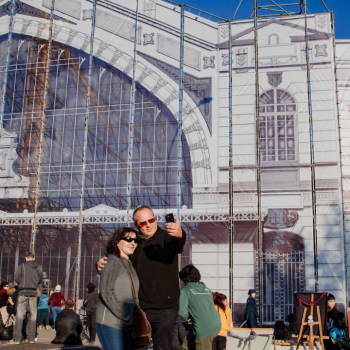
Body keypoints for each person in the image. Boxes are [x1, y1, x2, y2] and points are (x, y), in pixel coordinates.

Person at [97, 205, 186, 350]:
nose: (148, 225)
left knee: (163, 347)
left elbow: (178, 244)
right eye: (143, 223)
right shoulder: (134, 243)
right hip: (140, 309)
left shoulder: (166, 237)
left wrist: (180, 234)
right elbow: (118, 260)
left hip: (165, 309)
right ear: (136, 225)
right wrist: (100, 264)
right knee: (137, 347)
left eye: (151, 220)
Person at [96, 227, 140, 350]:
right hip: (110, 323)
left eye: (135, 240)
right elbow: (106, 291)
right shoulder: (112, 260)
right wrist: (125, 314)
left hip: (126, 323)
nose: (132, 243)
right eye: (128, 239)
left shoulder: (129, 263)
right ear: (117, 242)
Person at [178, 264, 221, 350]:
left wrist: (187, 317)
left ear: (185, 280)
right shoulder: (207, 290)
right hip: (216, 324)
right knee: (187, 342)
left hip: (204, 329)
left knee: (202, 343)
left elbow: (182, 313)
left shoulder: (185, 291)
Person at [7, 252, 43, 345]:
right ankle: (31, 338)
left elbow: (17, 279)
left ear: (26, 258)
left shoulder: (22, 266)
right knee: (32, 316)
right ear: (33, 258)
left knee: (20, 316)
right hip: (34, 293)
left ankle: (17, 339)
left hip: (23, 292)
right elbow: (41, 280)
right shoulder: (39, 266)